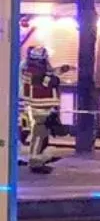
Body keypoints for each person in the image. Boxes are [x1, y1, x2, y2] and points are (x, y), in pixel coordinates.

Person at [19, 46, 70, 174]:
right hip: (39, 108)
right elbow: (49, 81)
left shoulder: (31, 67)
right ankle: (35, 162)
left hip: (41, 107)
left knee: (42, 134)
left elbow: (49, 74)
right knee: (39, 135)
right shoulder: (34, 70)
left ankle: (41, 158)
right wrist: (56, 77)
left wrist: (61, 70)